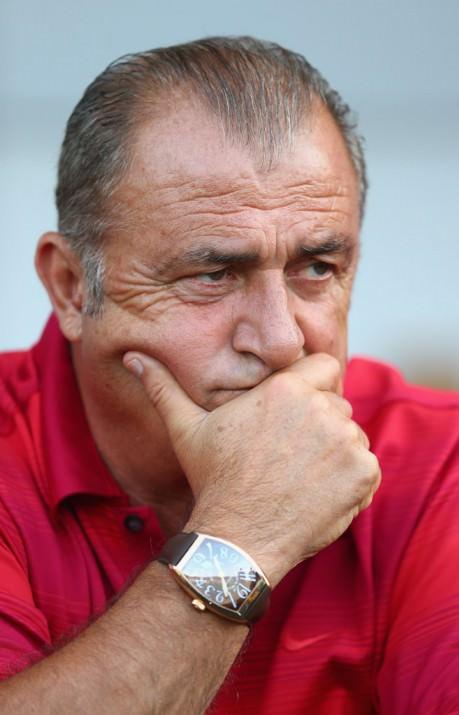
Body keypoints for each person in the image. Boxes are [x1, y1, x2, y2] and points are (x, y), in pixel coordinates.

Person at [0, 36, 457, 714]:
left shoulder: (436, 463)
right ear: (71, 287)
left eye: (316, 268)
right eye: (212, 274)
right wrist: (241, 537)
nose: (280, 340)